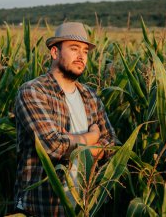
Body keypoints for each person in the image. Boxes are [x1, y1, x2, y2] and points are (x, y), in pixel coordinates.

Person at [14, 22, 117, 216]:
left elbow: (112, 145)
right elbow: (52, 147)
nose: (81, 56)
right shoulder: (33, 92)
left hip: (84, 206)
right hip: (43, 206)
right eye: (74, 48)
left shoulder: (91, 97)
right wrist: (93, 137)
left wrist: (74, 142)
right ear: (54, 52)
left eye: (85, 51)